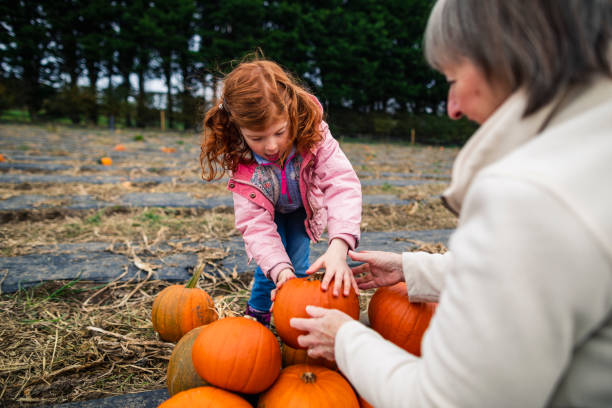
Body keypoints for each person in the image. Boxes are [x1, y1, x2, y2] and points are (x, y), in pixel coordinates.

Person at [290, 0, 612, 406]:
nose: (452, 108)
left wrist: (347, 340)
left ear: (506, 57)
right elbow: (551, 270)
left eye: (453, 77)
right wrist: (414, 268)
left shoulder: (529, 196)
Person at [200, 58, 362, 326]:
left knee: (299, 267)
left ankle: (291, 317)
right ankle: (258, 316)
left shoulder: (314, 135)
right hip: (267, 210)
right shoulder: (242, 164)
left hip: (302, 209)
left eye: (279, 132)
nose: (272, 146)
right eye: (257, 138)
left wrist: (339, 245)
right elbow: (254, 224)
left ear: (290, 113)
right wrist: (279, 269)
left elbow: (341, 183)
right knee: (272, 268)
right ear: (238, 129)